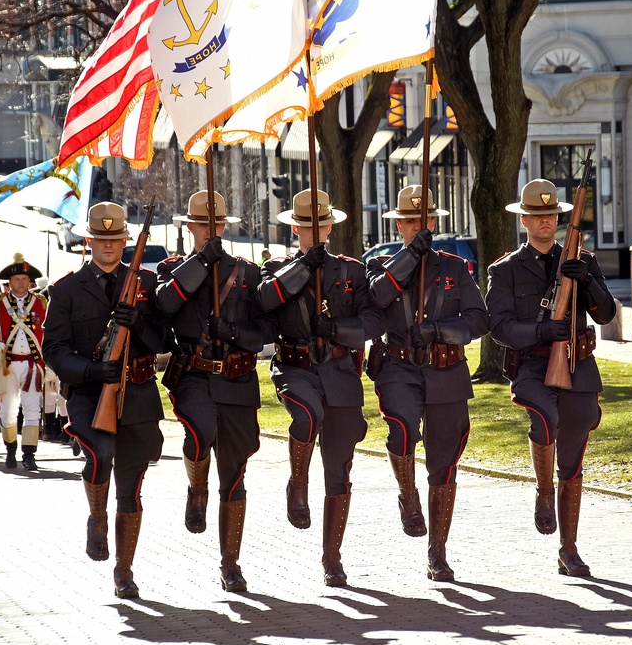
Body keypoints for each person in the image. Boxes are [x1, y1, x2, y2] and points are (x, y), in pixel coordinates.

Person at [485, 178, 616, 578]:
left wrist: (588, 280)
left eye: (552, 215)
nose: (546, 221)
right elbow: (499, 326)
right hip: (533, 368)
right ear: (524, 220)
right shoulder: (504, 269)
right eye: (537, 215)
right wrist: (541, 332)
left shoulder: (583, 260)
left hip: (577, 366)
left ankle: (569, 549)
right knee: (544, 420)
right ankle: (544, 491)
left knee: (574, 455)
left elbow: (606, 314)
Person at [44, 202, 170, 599]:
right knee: (99, 453)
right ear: (89, 241)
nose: (109, 246)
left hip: (138, 392)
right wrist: (90, 371)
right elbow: (54, 349)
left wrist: (142, 326)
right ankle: (96, 516)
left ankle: (124, 570)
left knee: (131, 487)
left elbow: (167, 341)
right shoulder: (65, 290)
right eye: (102, 239)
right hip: (88, 393)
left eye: (116, 240)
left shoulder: (146, 285)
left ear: (125, 242)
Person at [259, 189, 383, 587]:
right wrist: (301, 269)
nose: (314, 232)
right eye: (306, 226)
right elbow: (265, 299)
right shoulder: (275, 267)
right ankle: (298, 482)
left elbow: (372, 323)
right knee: (306, 415)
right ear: (295, 229)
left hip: (339, 372)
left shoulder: (350, 271)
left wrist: (338, 330)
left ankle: (332, 558)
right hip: (296, 369)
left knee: (340, 470)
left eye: (320, 225)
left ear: (329, 226)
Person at [366, 186, 489, 581]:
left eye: (426, 221)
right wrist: (409, 257)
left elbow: (478, 320)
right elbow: (379, 295)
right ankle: (407, 494)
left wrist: (438, 329)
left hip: (445, 369)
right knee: (401, 431)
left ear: (434, 223)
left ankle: (438, 552)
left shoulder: (454, 268)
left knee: (445, 460)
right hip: (399, 367)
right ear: (399, 224)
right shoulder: (382, 266)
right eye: (411, 222)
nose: (420, 227)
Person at [155, 190, 275, 593]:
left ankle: (230, 564)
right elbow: (165, 305)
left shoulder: (246, 272)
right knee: (198, 431)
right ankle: (196, 486)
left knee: (236, 476)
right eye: (201, 225)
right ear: (190, 228)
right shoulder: (172, 268)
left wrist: (236, 332)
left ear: (224, 227)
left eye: (215, 226)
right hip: (194, 376)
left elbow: (265, 333)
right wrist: (199, 265)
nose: (209, 231)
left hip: (237, 380)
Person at [0, 254, 48, 470]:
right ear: (9, 283)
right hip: (7, 366)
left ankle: (29, 453)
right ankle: (11, 450)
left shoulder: (40, 303)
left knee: (33, 408)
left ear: (30, 282)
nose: (21, 283)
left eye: (24, 279)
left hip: (33, 364)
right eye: (16, 280)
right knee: (8, 411)